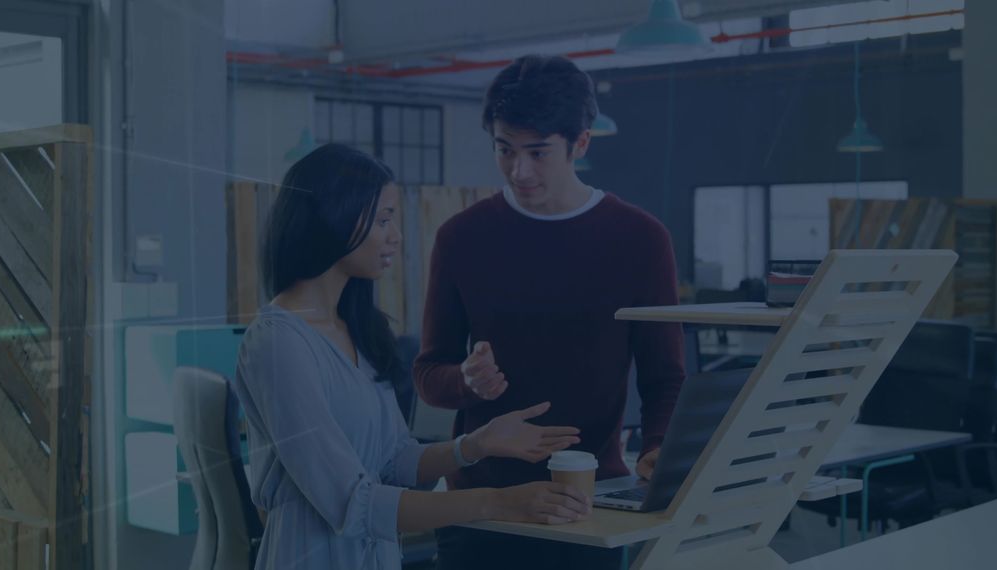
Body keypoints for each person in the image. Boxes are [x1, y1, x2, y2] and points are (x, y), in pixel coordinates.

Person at [232, 144, 592, 570]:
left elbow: (394, 461)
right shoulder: (277, 344)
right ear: (335, 216)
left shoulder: (358, 331)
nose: (396, 235)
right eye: (383, 219)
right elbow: (354, 502)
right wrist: (497, 502)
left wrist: (476, 444)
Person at [414, 55, 686, 569]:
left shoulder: (641, 240)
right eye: (505, 150)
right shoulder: (460, 238)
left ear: (580, 143)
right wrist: (467, 382)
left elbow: (664, 376)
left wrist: (658, 447)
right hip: (479, 510)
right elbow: (429, 374)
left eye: (538, 153)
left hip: (586, 506)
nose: (520, 171)